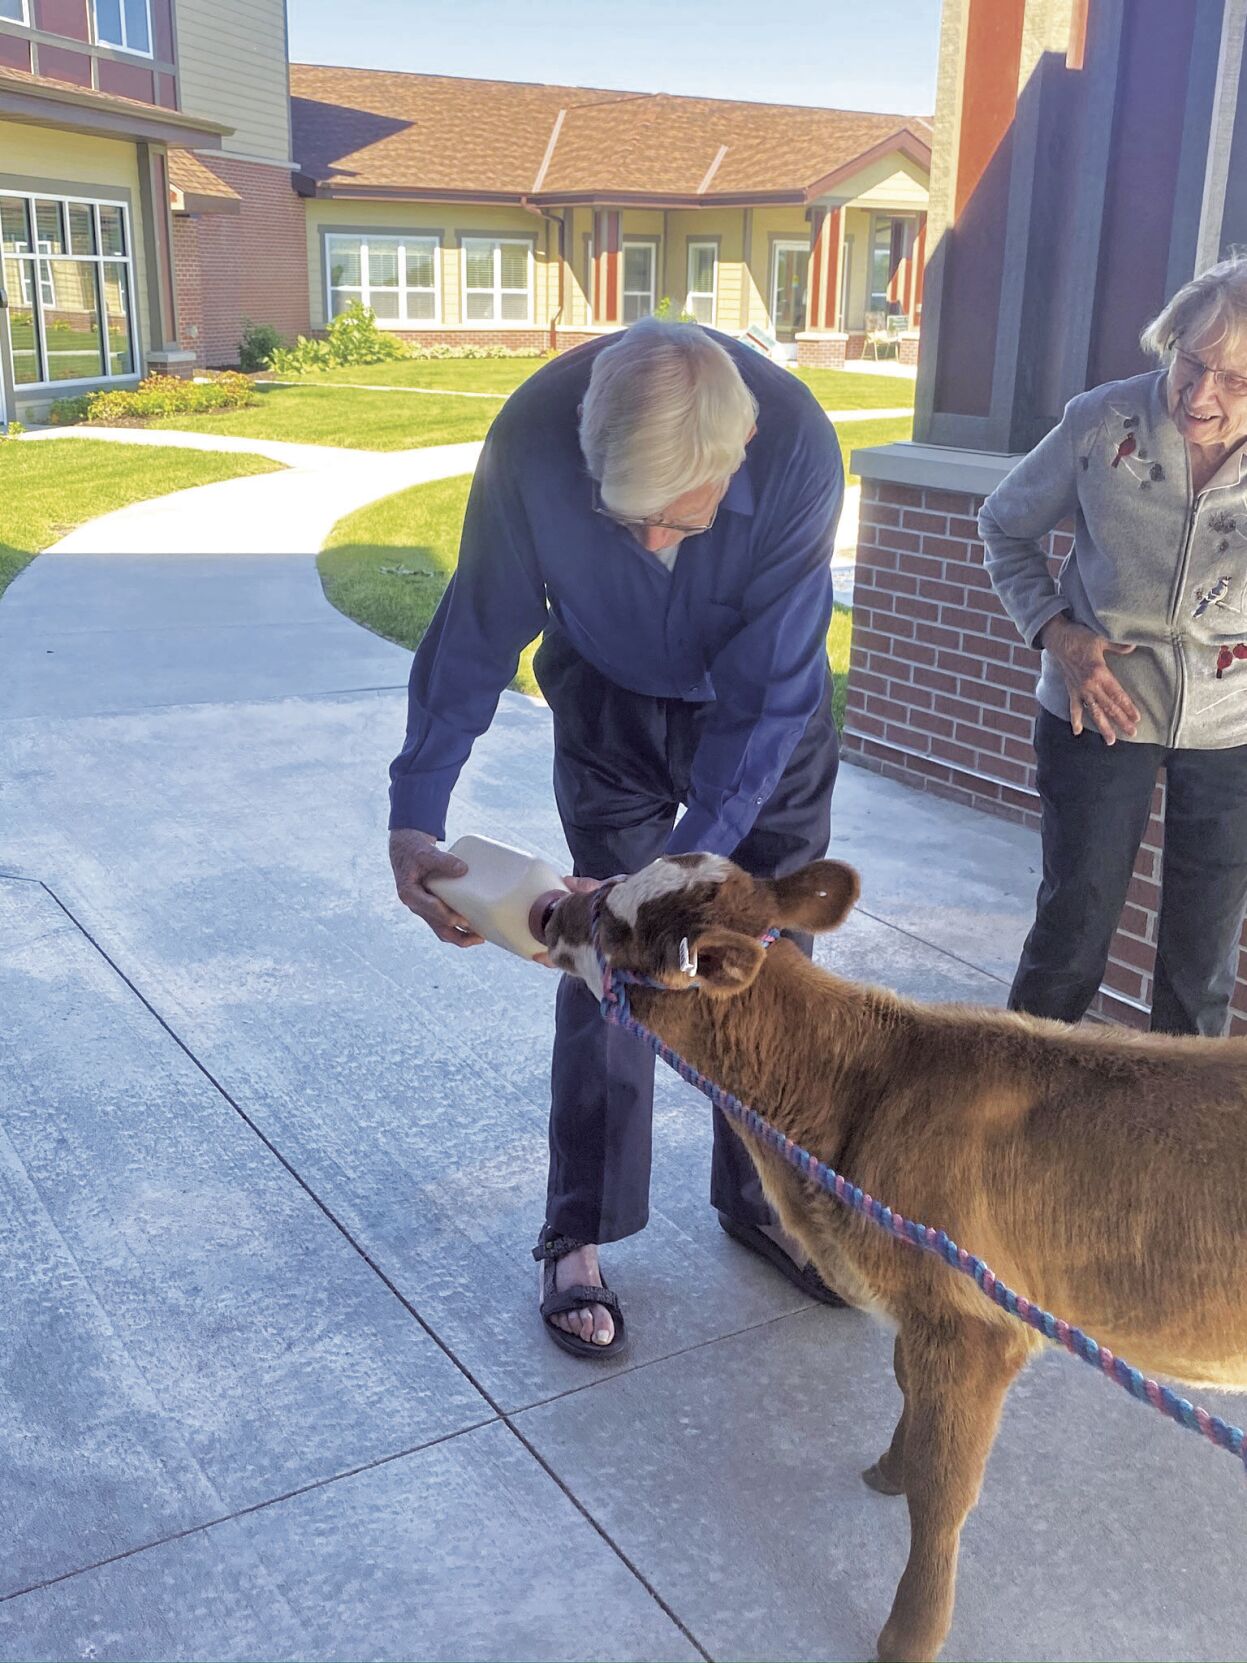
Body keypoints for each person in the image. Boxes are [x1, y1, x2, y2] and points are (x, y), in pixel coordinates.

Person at [388, 318, 844, 1358]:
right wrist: (415, 808)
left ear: (734, 460)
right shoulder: (532, 437)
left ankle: (763, 1198)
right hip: (608, 708)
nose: (652, 548)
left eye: (681, 523)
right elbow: (477, 624)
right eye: (625, 517)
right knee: (604, 962)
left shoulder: (799, 452)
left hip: (761, 726)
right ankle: (579, 1230)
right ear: (587, 457)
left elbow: (763, 703)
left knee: (758, 969)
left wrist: (680, 875)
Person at [980, 255, 1247, 1036]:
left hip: (1231, 729)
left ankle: (1169, 1143)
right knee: (1071, 938)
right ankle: (1015, 1120)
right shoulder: (1099, 421)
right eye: (1190, 363)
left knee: (1200, 966)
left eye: (1234, 380)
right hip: (1097, 709)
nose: (1199, 395)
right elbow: (1003, 524)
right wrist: (1057, 634)